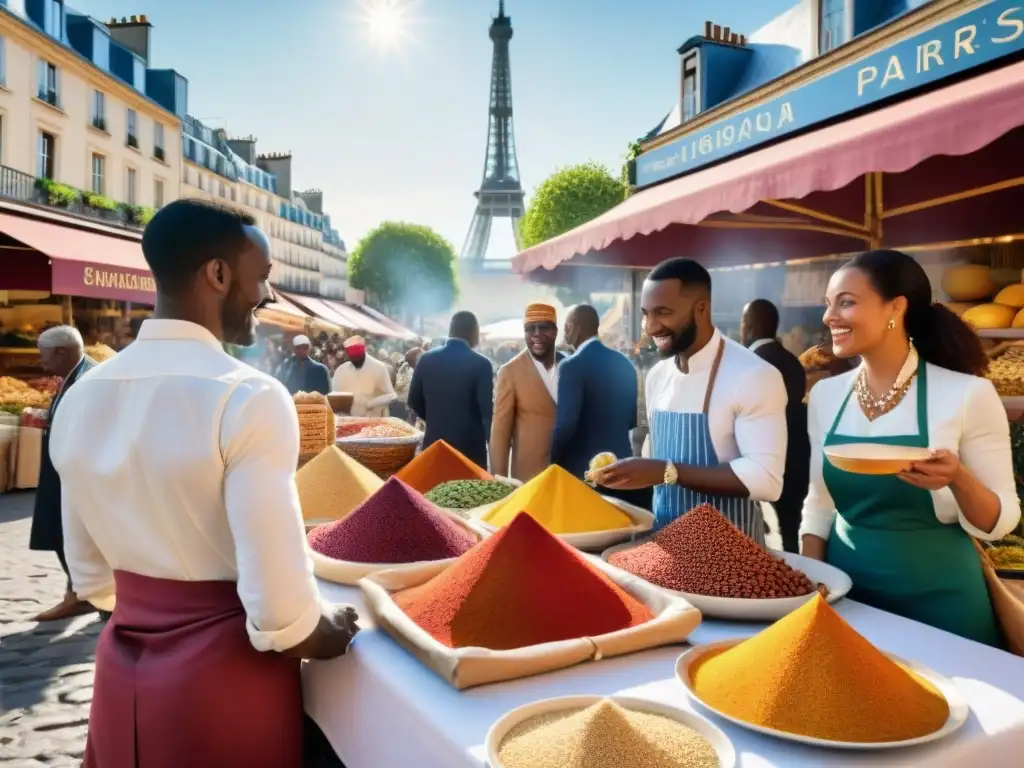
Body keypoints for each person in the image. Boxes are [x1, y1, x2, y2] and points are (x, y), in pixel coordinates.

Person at [48, 199, 359, 767]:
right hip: (225, 689)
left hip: (121, 680)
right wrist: (332, 628)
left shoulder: (79, 398)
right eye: (261, 277)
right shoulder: (248, 396)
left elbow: (91, 577)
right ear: (218, 274)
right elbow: (282, 616)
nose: (267, 298)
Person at [801, 249, 1020, 647]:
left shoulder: (967, 393)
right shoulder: (826, 396)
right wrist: (811, 583)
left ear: (896, 308)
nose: (828, 317)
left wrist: (957, 478)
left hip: (943, 599)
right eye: (828, 304)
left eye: (846, 303)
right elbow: (819, 505)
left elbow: (1000, 521)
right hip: (849, 595)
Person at [599, 259, 787, 545]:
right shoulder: (657, 376)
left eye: (663, 312)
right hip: (666, 547)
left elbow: (766, 480)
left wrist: (665, 471)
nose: (650, 327)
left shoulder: (754, 375)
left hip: (733, 559)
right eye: (646, 314)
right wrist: (632, 472)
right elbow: (656, 455)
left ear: (702, 308)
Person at [28, 326, 97, 621]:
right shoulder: (74, 376)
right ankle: (79, 591)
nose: (41, 362)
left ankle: (84, 593)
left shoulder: (88, 379)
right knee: (61, 531)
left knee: (70, 532)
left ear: (61, 352)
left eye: (44, 355)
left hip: (77, 476)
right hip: (62, 470)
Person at [550, 305, 648, 509]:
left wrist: (553, 463)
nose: (565, 333)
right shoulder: (625, 364)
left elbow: (565, 425)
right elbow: (631, 420)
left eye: (567, 327)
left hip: (583, 473)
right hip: (621, 468)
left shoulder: (571, 366)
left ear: (577, 327)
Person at [741, 299, 810, 552]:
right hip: (798, 457)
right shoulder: (792, 361)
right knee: (791, 531)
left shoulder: (748, 363)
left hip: (763, 462)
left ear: (750, 326)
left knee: (759, 536)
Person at [491, 303, 567, 482]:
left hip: (569, 474)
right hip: (529, 477)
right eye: (530, 328)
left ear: (555, 332)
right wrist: (499, 483)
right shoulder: (510, 371)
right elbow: (500, 432)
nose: (537, 334)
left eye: (544, 327)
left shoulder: (572, 366)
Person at [408, 312, 493, 467]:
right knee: (468, 491)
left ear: (450, 331)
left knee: (434, 490)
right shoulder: (482, 364)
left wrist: (436, 418)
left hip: (435, 445)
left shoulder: (426, 359)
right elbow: (487, 412)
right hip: (470, 451)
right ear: (474, 333)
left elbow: (413, 401)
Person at [332, 334, 396, 417]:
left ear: (364, 352)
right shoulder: (341, 370)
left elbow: (391, 395)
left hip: (373, 421)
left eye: (359, 357)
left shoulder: (379, 367)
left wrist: (372, 404)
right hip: (348, 421)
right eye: (353, 358)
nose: (356, 360)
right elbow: (336, 395)